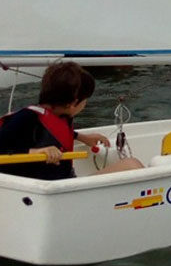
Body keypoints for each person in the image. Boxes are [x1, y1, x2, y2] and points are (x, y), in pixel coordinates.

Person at [0, 62, 143, 180]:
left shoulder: (60, 115)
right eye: (85, 101)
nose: (85, 104)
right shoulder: (26, 118)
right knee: (132, 165)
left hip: (65, 183)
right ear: (73, 103)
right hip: (46, 193)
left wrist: (82, 137)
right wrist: (36, 152)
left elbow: (53, 133)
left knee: (132, 165)